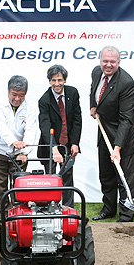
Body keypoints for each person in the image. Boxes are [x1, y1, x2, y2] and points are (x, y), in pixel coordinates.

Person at [89, 46, 134, 222]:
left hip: (122, 133)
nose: (108, 65)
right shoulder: (97, 72)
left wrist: (117, 147)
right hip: (104, 130)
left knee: (124, 175)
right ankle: (109, 208)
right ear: (100, 60)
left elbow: (126, 119)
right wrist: (93, 106)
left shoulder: (126, 83)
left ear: (118, 62)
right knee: (106, 174)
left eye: (112, 62)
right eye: (105, 61)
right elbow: (94, 90)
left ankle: (126, 214)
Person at [0, 75, 38, 218]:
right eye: (14, 94)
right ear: (8, 91)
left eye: (21, 95)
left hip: (19, 154)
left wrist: (24, 152)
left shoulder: (30, 108)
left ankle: (19, 218)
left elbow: (31, 130)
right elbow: (1, 127)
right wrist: (13, 141)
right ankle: (4, 221)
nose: (17, 99)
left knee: (19, 188)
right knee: (0, 189)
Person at [38, 65, 82, 207]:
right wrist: (54, 148)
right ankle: (51, 208)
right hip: (50, 144)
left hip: (68, 143)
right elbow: (45, 127)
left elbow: (77, 120)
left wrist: (75, 143)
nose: (57, 84)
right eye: (53, 80)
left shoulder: (73, 93)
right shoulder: (44, 100)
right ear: (49, 81)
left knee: (67, 177)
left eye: (60, 80)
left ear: (65, 80)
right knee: (51, 178)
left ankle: (68, 210)